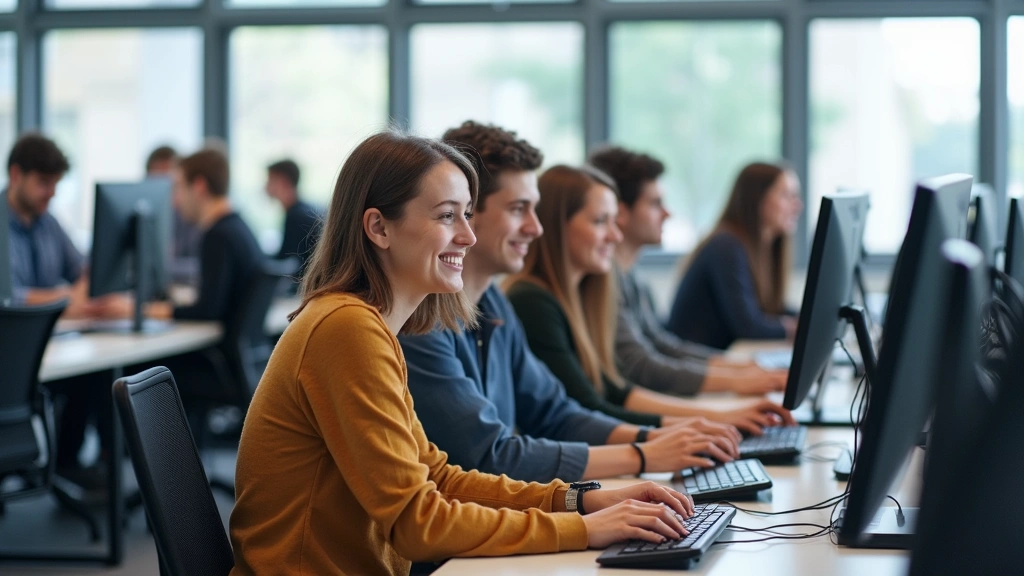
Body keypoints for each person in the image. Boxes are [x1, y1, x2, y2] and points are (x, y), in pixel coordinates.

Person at [229, 131, 695, 576]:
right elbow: (418, 523)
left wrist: (579, 500)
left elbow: (440, 477)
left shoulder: (370, 327)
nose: (468, 237)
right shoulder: (345, 329)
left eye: (468, 215)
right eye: (447, 216)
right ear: (378, 227)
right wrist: (582, 529)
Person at [400, 122, 740, 486]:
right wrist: (643, 454)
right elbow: (487, 455)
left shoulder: (495, 305)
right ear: (470, 211)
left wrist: (655, 441)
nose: (536, 227)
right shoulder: (421, 323)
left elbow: (556, 413)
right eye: (519, 209)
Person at [504, 164, 794, 430]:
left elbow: (613, 390)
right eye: (600, 221)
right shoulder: (533, 301)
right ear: (557, 226)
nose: (615, 236)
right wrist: (693, 425)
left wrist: (715, 416)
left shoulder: (583, 294)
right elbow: (588, 407)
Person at [588, 146, 788, 396]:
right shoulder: (605, 279)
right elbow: (641, 365)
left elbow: (660, 343)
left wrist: (737, 369)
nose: (668, 213)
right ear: (622, 212)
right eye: (655, 203)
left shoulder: (634, 277)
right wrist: (734, 379)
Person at [667, 162, 803, 349]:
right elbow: (749, 326)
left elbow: (769, 308)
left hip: (718, 360)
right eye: (787, 195)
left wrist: (808, 317)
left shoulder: (759, 248)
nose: (797, 206)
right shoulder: (726, 246)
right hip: (696, 364)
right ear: (758, 199)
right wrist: (793, 328)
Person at [143, 148, 264, 324]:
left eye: (179, 187)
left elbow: (207, 310)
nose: (176, 200)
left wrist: (140, 310)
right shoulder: (237, 227)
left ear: (199, 186)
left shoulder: (218, 236)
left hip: (220, 350)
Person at [147, 144, 202, 286]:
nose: (166, 187)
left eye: (171, 181)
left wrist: (162, 267)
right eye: (159, 180)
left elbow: (201, 266)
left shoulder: (191, 215)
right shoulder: (145, 217)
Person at [265, 159, 321, 276]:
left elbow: (289, 263)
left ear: (283, 182)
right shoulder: (305, 210)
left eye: (270, 180)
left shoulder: (296, 217)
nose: (266, 186)